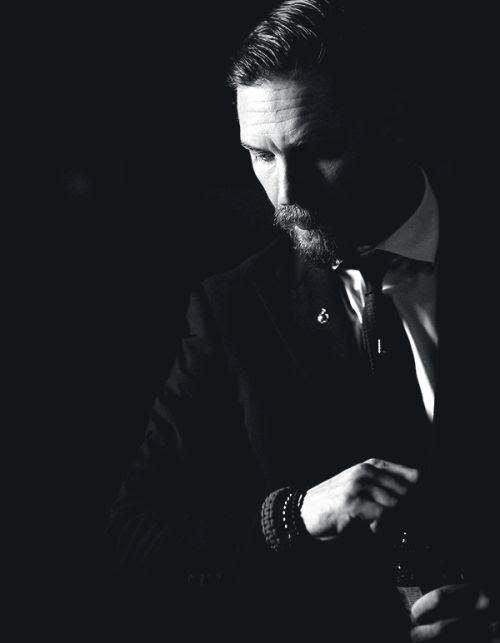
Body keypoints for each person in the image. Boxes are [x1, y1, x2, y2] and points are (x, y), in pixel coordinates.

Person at [107, 1, 499, 640]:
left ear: (393, 122)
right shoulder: (230, 308)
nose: (288, 195)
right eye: (260, 155)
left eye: (319, 150)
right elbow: (134, 537)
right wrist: (297, 514)